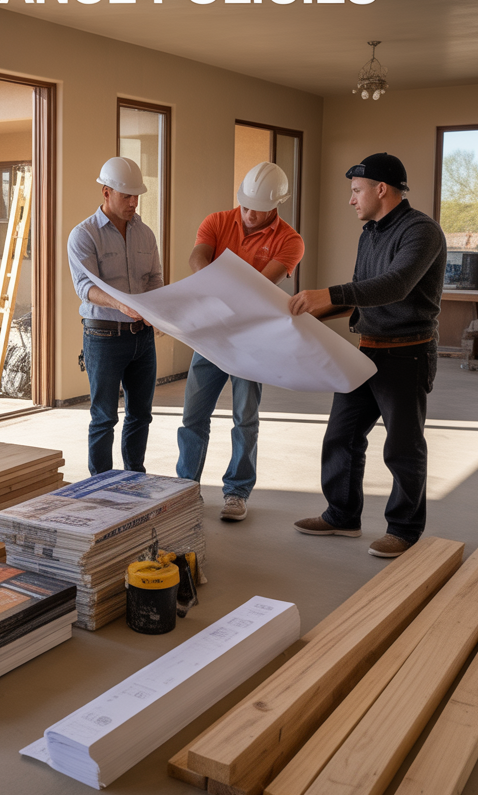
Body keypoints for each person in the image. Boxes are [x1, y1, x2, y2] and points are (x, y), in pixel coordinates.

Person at [289, 152, 446, 558]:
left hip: (406, 355)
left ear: (382, 189)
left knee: (403, 446)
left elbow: (395, 286)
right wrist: (307, 314)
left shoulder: (422, 232)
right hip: (365, 353)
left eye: (357, 190)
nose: (351, 199)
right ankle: (342, 516)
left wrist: (329, 293)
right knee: (341, 436)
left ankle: (404, 531)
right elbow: (362, 298)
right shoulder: (371, 232)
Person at [176, 162, 305, 521]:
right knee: (193, 417)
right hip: (211, 336)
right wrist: (216, 285)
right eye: (245, 206)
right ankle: (185, 488)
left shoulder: (290, 241)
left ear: (277, 205)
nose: (248, 215)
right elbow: (197, 257)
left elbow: (258, 288)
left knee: (245, 418)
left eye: (257, 210)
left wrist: (216, 290)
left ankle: (236, 492)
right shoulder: (217, 221)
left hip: (251, 340)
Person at [67, 156, 163, 475]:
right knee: (104, 417)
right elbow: (84, 287)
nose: (134, 202)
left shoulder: (146, 235)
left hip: (142, 338)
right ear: (106, 193)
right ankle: (101, 485)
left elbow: (154, 279)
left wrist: (156, 310)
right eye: (127, 196)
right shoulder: (84, 235)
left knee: (140, 414)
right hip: (104, 337)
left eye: (137, 196)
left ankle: (134, 476)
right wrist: (122, 304)